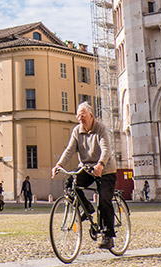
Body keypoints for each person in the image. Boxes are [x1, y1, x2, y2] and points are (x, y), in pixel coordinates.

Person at [52, 101, 116, 250]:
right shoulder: (77, 131)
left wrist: (100, 164)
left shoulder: (100, 128)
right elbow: (69, 150)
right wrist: (59, 164)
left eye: (82, 115)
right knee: (70, 184)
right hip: (87, 168)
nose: (79, 118)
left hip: (105, 169)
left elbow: (106, 149)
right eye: (78, 116)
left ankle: (108, 235)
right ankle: (87, 208)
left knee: (104, 199)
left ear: (91, 116)